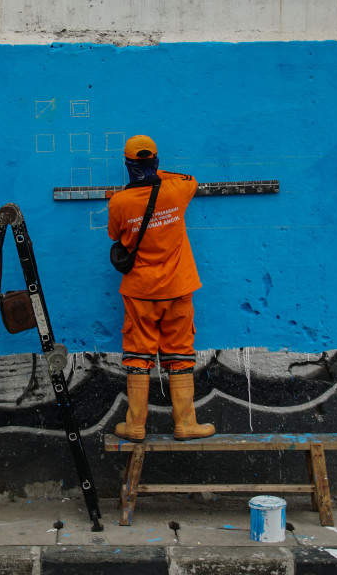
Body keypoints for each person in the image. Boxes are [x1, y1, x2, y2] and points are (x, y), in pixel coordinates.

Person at [108, 135, 215, 442]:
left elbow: (115, 234)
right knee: (180, 355)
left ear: (128, 166)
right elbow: (190, 179)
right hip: (178, 288)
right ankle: (185, 424)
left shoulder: (120, 201)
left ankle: (136, 426)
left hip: (140, 291)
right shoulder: (176, 190)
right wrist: (158, 174)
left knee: (138, 357)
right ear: (155, 162)